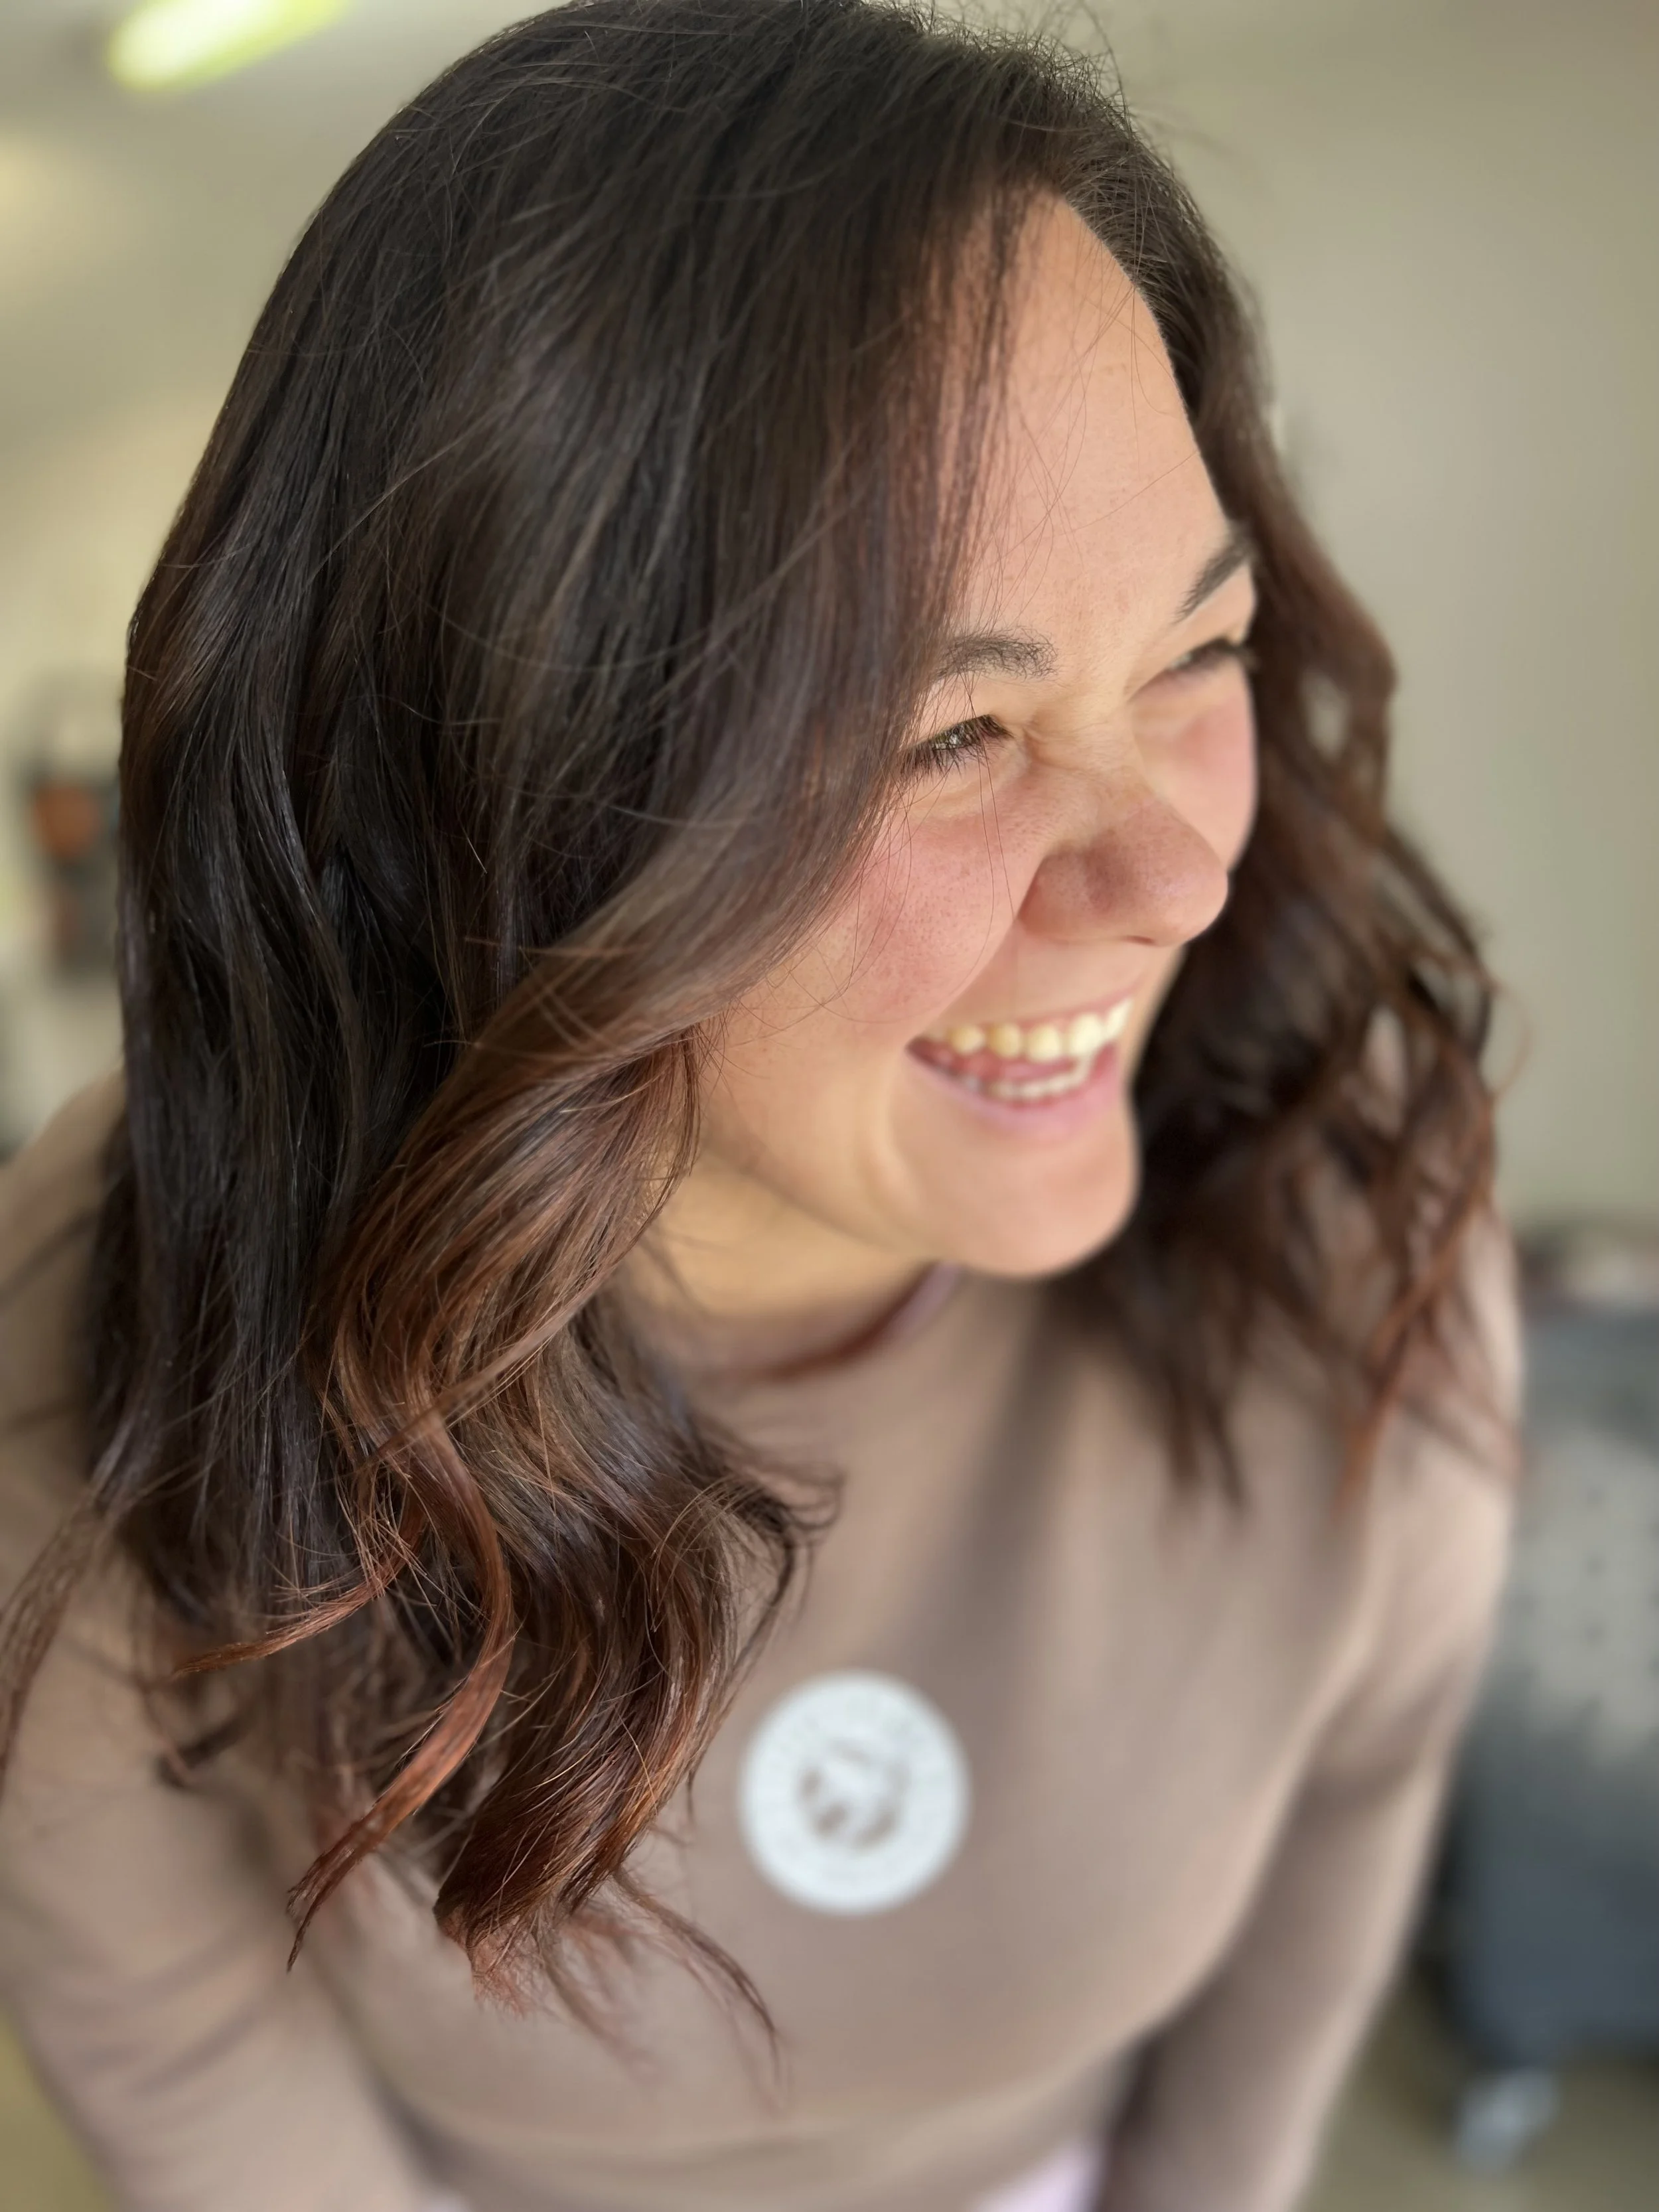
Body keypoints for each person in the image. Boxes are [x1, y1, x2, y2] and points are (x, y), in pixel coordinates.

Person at [0, 5, 1520, 2209]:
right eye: (945, 738)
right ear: (474, 816)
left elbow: (1358, 1796)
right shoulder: (101, 1324)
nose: (1177, 874)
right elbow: (185, 2046)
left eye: (1196, 657)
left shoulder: (1342, 1194)